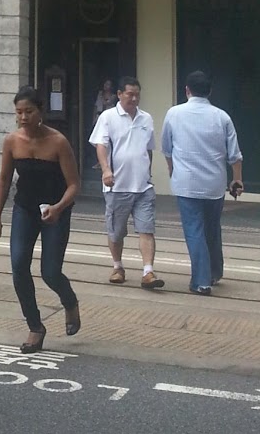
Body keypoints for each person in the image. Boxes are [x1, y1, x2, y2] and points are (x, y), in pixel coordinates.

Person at [0, 85, 81, 351]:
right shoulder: (12, 141)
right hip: (25, 209)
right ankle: (35, 327)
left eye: (29, 111)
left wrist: (58, 208)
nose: (23, 117)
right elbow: (4, 180)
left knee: (50, 272)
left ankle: (70, 302)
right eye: (19, 112)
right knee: (18, 265)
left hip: (56, 211)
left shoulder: (58, 142)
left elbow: (74, 185)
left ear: (41, 111)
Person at [161, 70, 244, 295]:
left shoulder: (174, 113)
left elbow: (167, 149)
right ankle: (214, 272)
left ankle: (201, 281)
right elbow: (234, 155)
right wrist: (237, 179)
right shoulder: (222, 117)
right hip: (215, 184)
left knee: (194, 230)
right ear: (210, 91)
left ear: (187, 90)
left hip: (186, 183)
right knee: (212, 228)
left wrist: (172, 171)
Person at [90, 76, 164, 290]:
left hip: (143, 186)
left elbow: (148, 149)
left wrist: (148, 173)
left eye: (137, 95)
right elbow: (101, 145)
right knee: (116, 231)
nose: (134, 98)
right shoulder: (108, 117)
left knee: (146, 229)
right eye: (130, 94)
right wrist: (106, 170)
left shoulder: (146, 118)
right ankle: (118, 267)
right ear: (119, 94)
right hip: (117, 186)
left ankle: (148, 272)